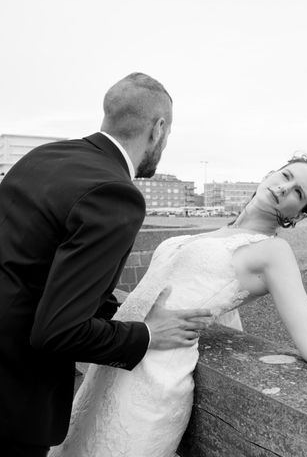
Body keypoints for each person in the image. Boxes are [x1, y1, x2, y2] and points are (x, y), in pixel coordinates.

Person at [50, 154, 307, 457]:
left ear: (298, 215)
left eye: (298, 194)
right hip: (115, 365)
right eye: (286, 176)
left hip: (152, 384)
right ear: (270, 174)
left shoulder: (271, 251)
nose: (285, 189)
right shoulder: (216, 234)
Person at [0, 73, 212, 457]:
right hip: (13, 402)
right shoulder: (115, 194)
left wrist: (119, 307)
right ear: (159, 129)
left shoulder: (41, 157)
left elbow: (30, 263)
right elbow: (57, 332)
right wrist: (146, 334)